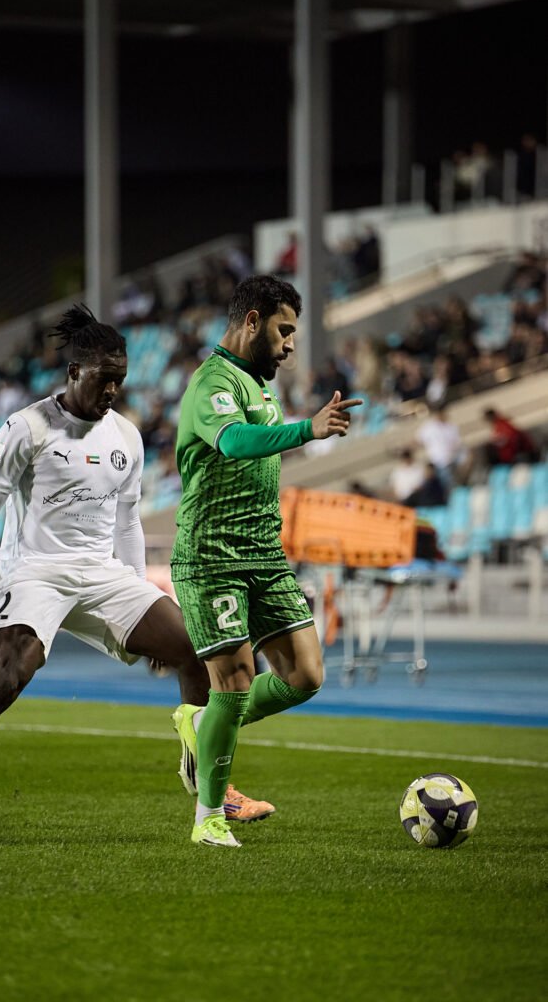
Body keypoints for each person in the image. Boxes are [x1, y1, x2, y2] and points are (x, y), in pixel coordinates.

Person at [0, 304, 269, 838]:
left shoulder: (126, 435)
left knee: (200, 650)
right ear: (74, 371)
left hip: (104, 575)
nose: (112, 391)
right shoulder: (27, 427)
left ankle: (209, 783)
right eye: (104, 379)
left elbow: (127, 521)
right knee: (6, 679)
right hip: (36, 572)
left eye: (119, 380)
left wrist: (141, 599)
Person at [170, 274, 362, 847]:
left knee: (305, 676)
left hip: (264, 553)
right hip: (212, 555)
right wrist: (307, 429)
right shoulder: (213, 382)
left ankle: (203, 723)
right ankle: (208, 818)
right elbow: (232, 442)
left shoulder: (258, 385)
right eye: (284, 330)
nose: (290, 344)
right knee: (234, 683)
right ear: (252, 321)